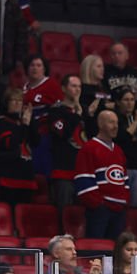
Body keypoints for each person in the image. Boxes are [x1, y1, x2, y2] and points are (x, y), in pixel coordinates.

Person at [75, 109, 129, 238]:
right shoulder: (89, 148)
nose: (115, 126)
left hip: (119, 210)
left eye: (116, 123)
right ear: (100, 124)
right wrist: (99, 205)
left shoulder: (118, 150)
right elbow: (83, 181)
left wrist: (124, 200)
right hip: (100, 211)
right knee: (97, 251)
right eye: (111, 122)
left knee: (115, 251)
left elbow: (124, 179)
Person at [48, 74, 89, 209]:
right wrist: (76, 115)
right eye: (73, 86)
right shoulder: (56, 110)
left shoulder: (86, 111)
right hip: (63, 171)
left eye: (79, 87)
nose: (77, 90)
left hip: (84, 172)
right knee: (64, 214)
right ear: (64, 89)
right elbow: (63, 132)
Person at [0, 87, 38, 205]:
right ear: (7, 103)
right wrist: (24, 126)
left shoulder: (23, 121)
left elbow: (36, 142)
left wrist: (30, 122)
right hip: (9, 176)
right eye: (14, 100)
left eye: (20, 101)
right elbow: (10, 143)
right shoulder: (1, 122)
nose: (18, 104)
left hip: (26, 175)